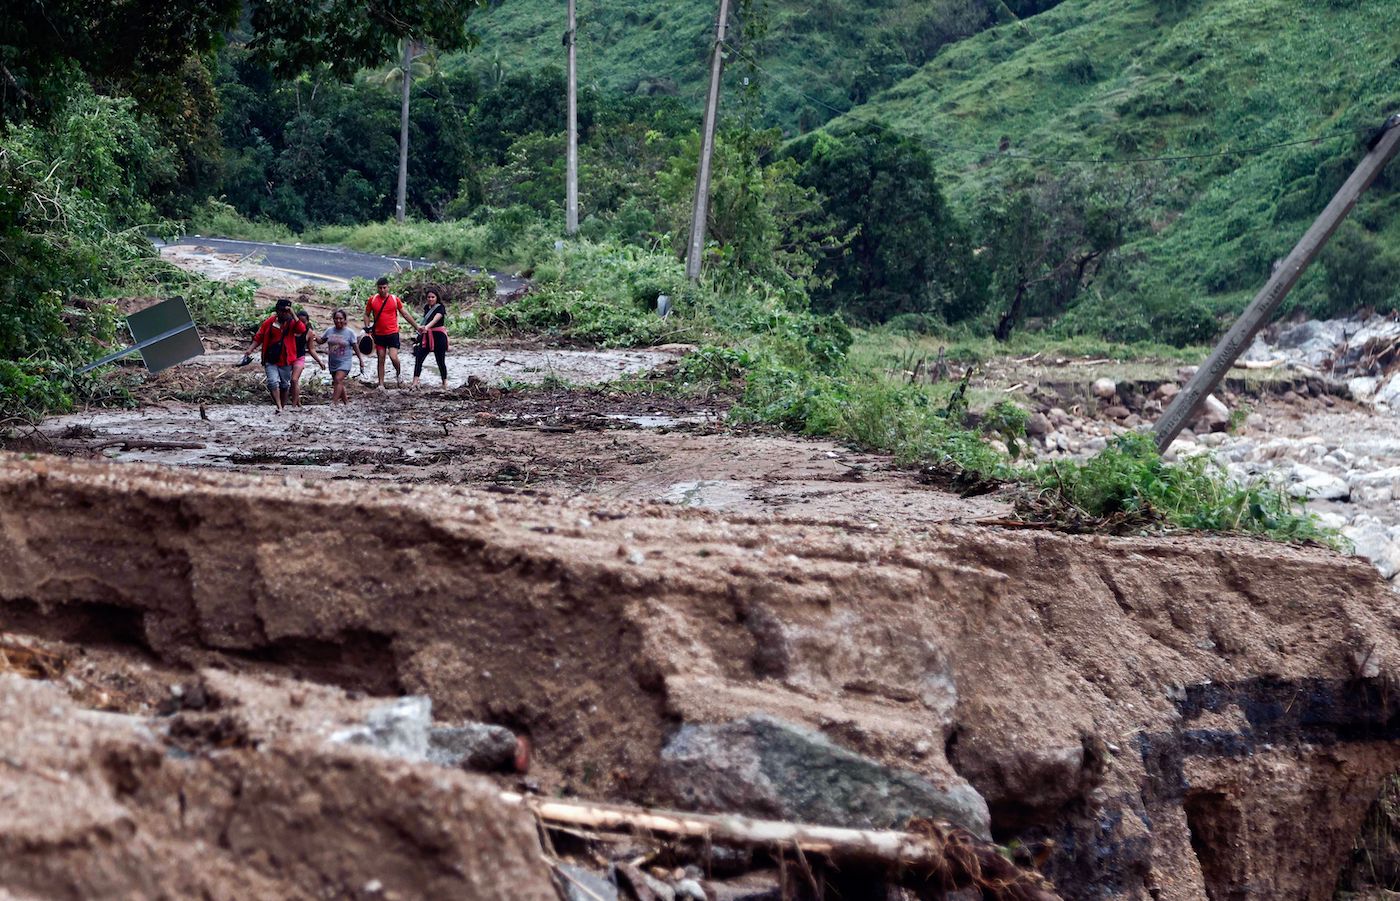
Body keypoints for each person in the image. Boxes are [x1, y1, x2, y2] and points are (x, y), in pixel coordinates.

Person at [245, 298, 306, 413]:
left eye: (287, 311)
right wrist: (250, 350)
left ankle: (282, 406)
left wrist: (293, 314)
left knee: (284, 385)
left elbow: (301, 329)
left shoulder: (292, 322)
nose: (285, 313)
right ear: (277, 311)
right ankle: (279, 406)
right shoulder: (270, 322)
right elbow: (259, 336)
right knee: (272, 382)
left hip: (286, 360)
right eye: (283, 311)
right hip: (271, 358)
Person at [363, 277, 410, 389]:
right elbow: (366, 314)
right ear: (377, 288)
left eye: (384, 288)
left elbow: (405, 314)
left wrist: (417, 327)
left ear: (388, 287)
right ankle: (381, 384)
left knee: (393, 357)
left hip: (393, 333)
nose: (382, 290)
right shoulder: (372, 300)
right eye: (380, 288)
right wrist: (367, 327)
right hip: (379, 334)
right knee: (381, 358)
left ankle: (399, 373)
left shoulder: (394, 299)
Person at [316, 308, 364, 405]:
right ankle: (346, 402)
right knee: (338, 382)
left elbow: (355, 347)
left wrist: (361, 360)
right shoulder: (329, 331)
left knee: (338, 379)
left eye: (341, 318)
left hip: (345, 362)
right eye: (336, 318)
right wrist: (314, 337)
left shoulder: (350, 333)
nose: (338, 321)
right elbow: (321, 341)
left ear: (345, 320)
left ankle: (334, 403)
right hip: (333, 361)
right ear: (333, 319)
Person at [411, 288, 449, 389]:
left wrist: (426, 327)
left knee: (440, 361)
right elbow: (425, 320)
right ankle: (415, 382)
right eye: (429, 297)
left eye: (433, 297)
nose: (430, 299)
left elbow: (436, 319)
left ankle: (445, 383)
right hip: (426, 337)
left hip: (439, 337)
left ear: (436, 298)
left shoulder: (440, 308)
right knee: (419, 358)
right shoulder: (426, 307)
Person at [290, 309, 325, 408]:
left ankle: (293, 405)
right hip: (288, 357)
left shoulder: (309, 333)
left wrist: (319, 361)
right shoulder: (290, 329)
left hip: (299, 358)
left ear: (307, 322)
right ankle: (297, 402)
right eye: (299, 322)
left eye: (304, 322)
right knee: (289, 382)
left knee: (294, 380)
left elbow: (311, 349)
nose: (301, 324)